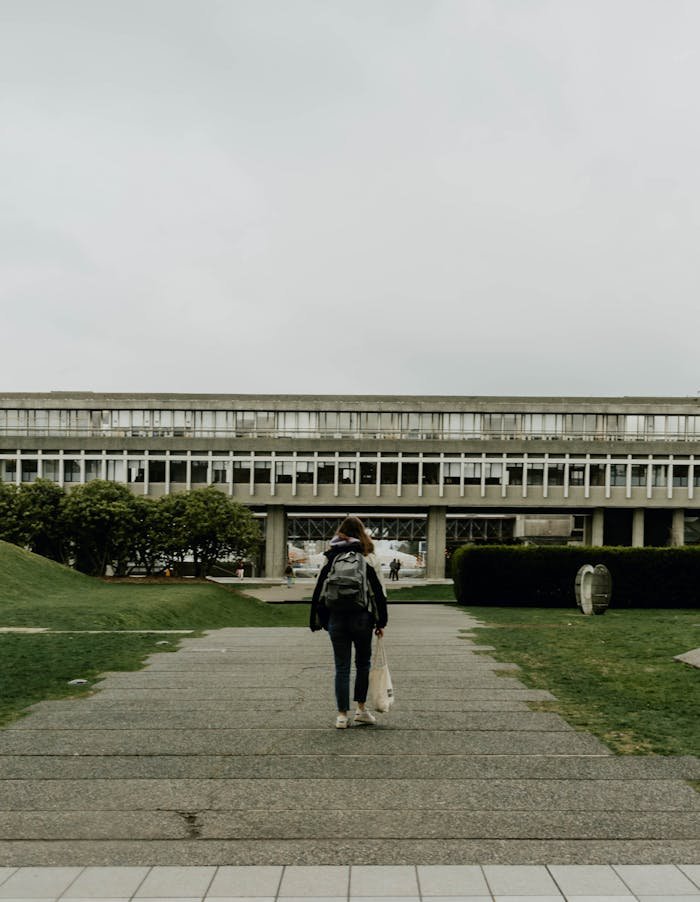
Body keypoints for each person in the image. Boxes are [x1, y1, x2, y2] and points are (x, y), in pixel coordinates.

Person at [310, 516, 388, 729]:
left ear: (340, 532)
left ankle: (341, 715)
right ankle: (361, 710)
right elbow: (379, 592)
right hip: (363, 618)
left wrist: (321, 620)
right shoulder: (369, 556)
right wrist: (381, 621)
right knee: (363, 664)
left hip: (337, 618)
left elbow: (319, 591)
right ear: (362, 533)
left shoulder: (330, 556)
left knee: (341, 667)